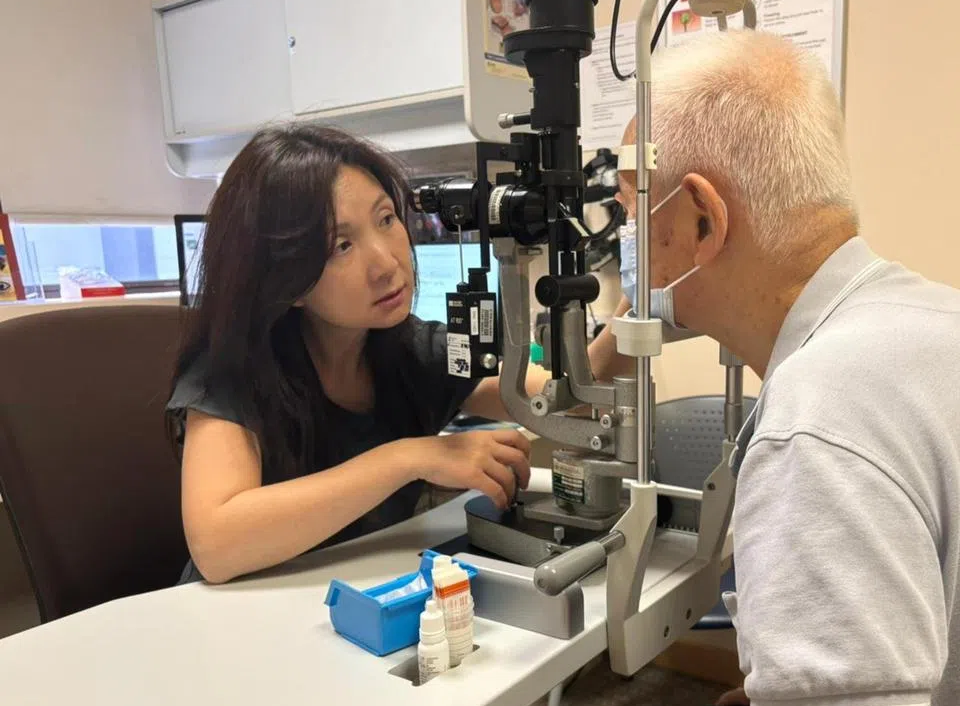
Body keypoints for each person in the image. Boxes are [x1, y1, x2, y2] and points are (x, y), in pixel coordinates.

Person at [612, 31, 960, 706]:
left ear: (703, 217)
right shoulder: (948, 319)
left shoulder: (818, 424)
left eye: (628, 206)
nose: (621, 235)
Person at [167, 124, 630, 584]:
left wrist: (640, 294)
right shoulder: (231, 370)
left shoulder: (411, 349)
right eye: (341, 246)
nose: (388, 262)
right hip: (237, 622)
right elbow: (217, 544)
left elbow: (569, 399)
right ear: (285, 279)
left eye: (386, 219)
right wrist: (410, 457)